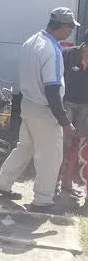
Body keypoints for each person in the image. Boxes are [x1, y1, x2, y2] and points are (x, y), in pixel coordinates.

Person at [0, 7, 79, 215]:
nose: (71, 32)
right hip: (45, 109)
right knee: (50, 157)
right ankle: (43, 200)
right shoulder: (52, 49)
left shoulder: (32, 40)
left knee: (26, 146)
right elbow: (52, 89)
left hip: (28, 103)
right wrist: (65, 122)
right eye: (70, 27)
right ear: (63, 27)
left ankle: (1, 181)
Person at [58, 35, 88, 198]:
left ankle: (68, 183)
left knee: (77, 144)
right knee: (63, 143)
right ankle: (54, 181)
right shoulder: (68, 54)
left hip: (85, 106)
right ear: (85, 46)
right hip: (67, 102)